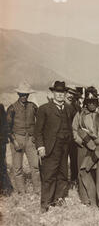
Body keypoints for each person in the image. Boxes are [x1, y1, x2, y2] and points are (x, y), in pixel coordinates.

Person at [72, 87, 99, 208]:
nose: (91, 104)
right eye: (89, 102)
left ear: (97, 102)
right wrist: (82, 141)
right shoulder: (79, 115)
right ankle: (87, 200)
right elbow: (74, 131)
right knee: (85, 172)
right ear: (85, 102)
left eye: (94, 102)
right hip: (84, 148)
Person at [35, 81, 73, 212]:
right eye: (57, 92)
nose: (60, 95)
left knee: (62, 174)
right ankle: (45, 204)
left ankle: (58, 200)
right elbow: (38, 131)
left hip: (64, 148)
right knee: (49, 175)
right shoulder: (44, 109)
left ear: (65, 93)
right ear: (53, 93)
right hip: (51, 147)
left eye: (62, 92)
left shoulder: (69, 109)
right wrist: (40, 147)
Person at [6, 82, 41, 194]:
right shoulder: (12, 108)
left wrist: (35, 136)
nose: (24, 96)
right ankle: (21, 191)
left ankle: (38, 190)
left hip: (31, 139)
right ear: (18, 94)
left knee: (35, 167)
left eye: (26, 94)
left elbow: (40, 122)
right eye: (22, 94)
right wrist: (14, 141)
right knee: (17, 168)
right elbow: (7, 128)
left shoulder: (33, 106)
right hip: (17, 138)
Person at [64, 85, 82, 190]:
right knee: (62, 162)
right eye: (69, 93)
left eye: (73, 94)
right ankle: (63, 182)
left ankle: (74, 181)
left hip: (74, 138)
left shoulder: (77, 107)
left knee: (75, 161)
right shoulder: (61, 106)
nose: (70, 96)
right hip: (63, 138)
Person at [0, 104, 13, 196]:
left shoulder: (0, 107)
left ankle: (6, 189)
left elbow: (5, 125)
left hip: (0, 142)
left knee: (2, 166)